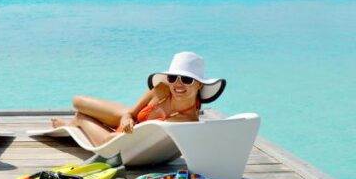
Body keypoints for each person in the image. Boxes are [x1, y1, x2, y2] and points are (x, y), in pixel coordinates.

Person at [51, 51, 226, 146]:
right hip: (129, 122)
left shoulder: (188, 121)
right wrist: (127, 119)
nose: (178, 85)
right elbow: (130, 113)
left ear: (199, 85)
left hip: (128, 141)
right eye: (173, 78)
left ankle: (74, 124)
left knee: (83, 118)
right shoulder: (162, 88)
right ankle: (77, 125)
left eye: (187, 79)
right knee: (78, 101)